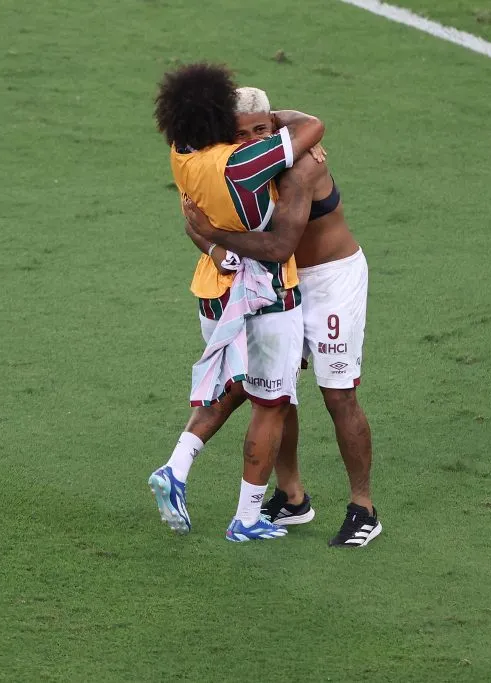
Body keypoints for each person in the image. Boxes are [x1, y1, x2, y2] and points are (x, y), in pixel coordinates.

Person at [183, 86, 381, 548]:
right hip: (279, 280)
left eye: (262, 130)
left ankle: (363, 507)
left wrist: (214, 235)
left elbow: (279, 246)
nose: (253, 141)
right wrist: (210, 242)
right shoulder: (230, 167)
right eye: (241, 134)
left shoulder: (300, 165)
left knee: (338, 394)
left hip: (330, 280)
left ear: (275, 126)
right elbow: (194, 212)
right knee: (275, 393)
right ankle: (292, 497)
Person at [148, 63, 325, 542]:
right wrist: (278, 124)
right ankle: (247, 517)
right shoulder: (243, 164)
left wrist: (212, 243)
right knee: (271, 403)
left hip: (214, 292)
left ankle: (176, 467)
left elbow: (194, 222)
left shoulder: (182, 151)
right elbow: (313, 127)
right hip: (266, 294)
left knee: (231, 388)